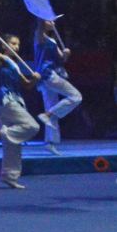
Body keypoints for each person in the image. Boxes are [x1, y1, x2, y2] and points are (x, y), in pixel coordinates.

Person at [0, 30, 41, 190]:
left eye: (18, 44)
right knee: (32, 126)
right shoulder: (2, 60)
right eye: (13, 43)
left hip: (13, 101)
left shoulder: (16, 65)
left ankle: (10, 177)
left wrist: (34, 80)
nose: (17, 47)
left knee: (12, 144)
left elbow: (27, 85)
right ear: (4, 45)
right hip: (6, 100)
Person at [33, 20, 80, 154]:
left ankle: (50, 142)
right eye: (48, 20)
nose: (52, 22)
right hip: (48, 75)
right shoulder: (39, 36)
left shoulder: (53, 41)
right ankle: (47, 115)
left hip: (49, 76)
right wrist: (42, 16)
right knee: (76, 96)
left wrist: (65, 54)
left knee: (52, 107)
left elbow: (61, 60)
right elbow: (40, 24)